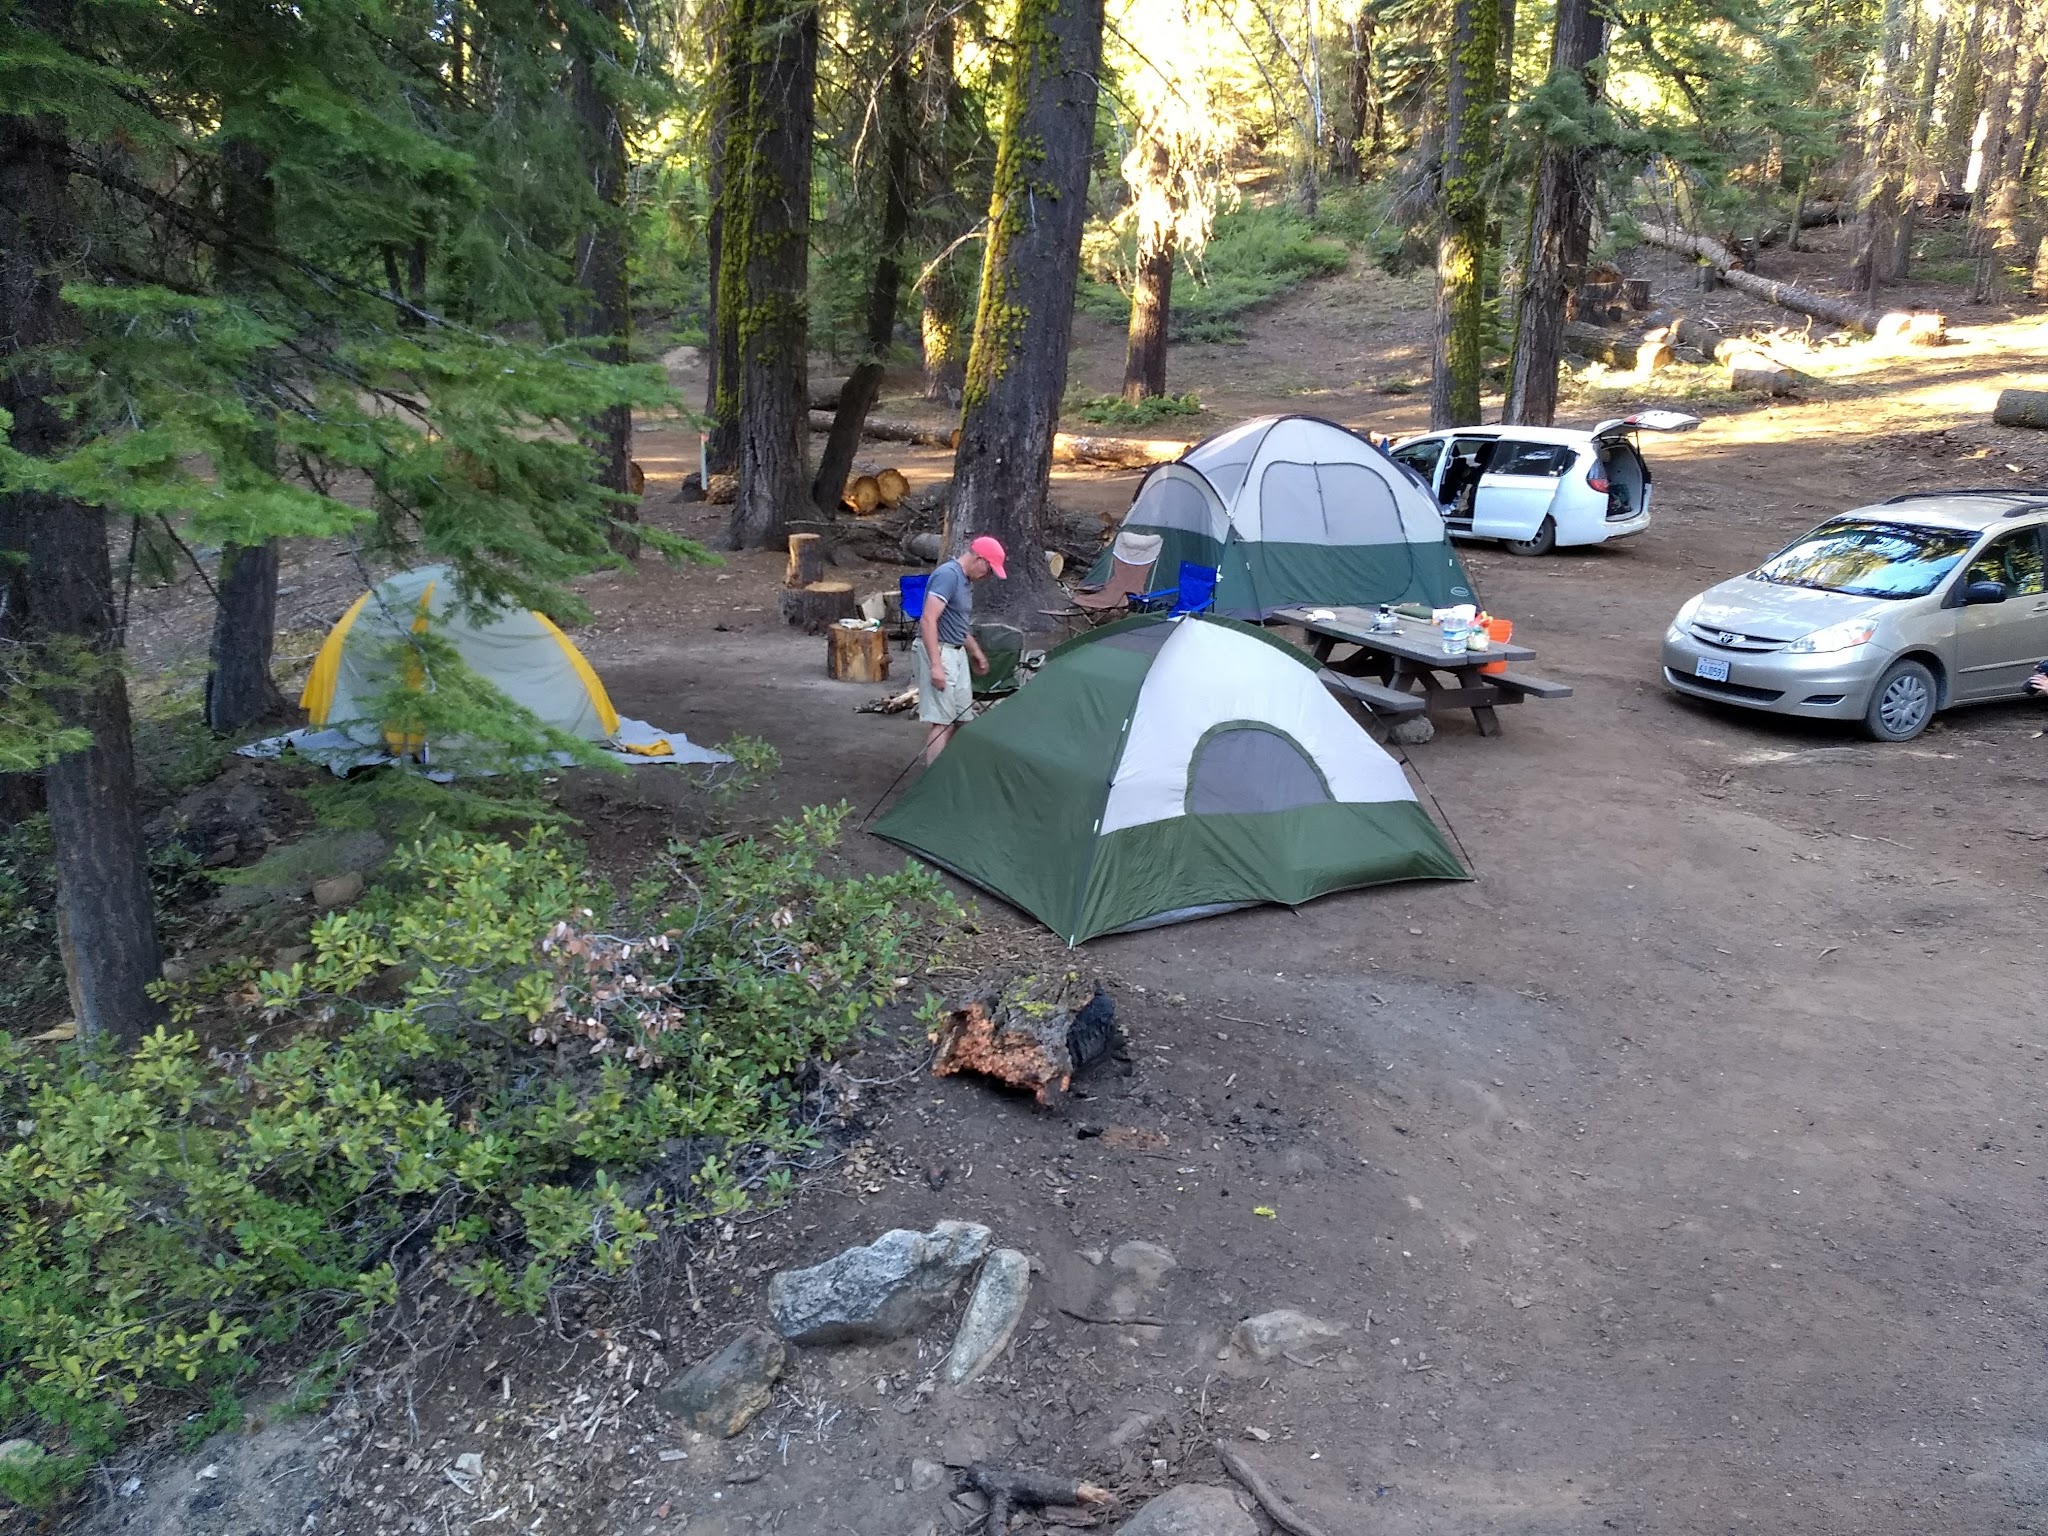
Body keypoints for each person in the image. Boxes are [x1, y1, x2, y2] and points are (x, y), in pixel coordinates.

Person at [915, 535, 1007, 762]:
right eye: (988, 569)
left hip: (956, 651)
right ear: (979, 558)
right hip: (938, 649)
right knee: (942, 721)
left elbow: (958, 623)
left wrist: (975, 651)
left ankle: (950, 768)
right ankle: (934, 782)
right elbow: (928, 619)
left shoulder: (965, 581)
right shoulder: (948, 576)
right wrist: (936, 665)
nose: (987, 576)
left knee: (962, 717)